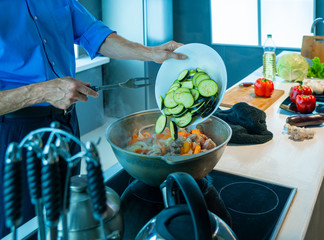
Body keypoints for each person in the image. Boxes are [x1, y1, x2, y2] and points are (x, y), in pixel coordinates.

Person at [0, 0, 186, 238]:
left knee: (66, 212)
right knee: (25, 225)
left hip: (65, 122)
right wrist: (42, 91)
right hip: (15, 134)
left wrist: (150, 53)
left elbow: (95, 34)